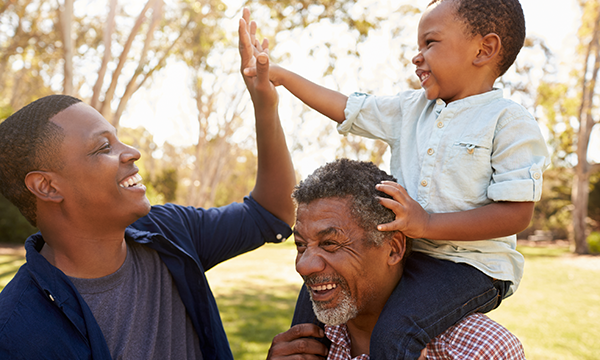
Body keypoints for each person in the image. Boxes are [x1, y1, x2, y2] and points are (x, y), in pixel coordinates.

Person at [241, 1, 549, 358]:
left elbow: (515, 214)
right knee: (311, 305)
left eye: (430, 43)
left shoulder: (508, 122)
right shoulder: (410, 109)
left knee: (395, 332)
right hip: (411, 255)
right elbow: (348, 108)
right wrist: (280, 76)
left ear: (485, 49)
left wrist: (427, 223)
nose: (417, 56)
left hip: (470, 268)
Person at [0, 15, 293, 360]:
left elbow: (271, 213)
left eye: (118, 139)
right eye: (102, 147)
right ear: (47, 186)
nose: (132, 152)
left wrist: (264, 103)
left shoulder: (169, 231)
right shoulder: (17, 335)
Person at [266, 159, 525, 360]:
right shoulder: (302, 345)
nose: (304, 266)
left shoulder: (483, 350)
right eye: (300, 245)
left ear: (394, 249)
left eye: (330, 244)